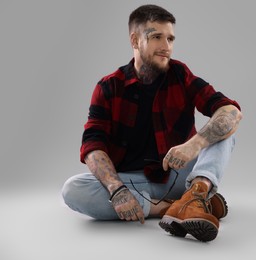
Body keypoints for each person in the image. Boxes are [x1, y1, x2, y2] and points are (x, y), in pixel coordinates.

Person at [62, 4, 242, 242]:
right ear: (135, 41)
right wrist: (117, 190)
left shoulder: (180, 74)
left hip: (180, 175)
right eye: (157, 37)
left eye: (170, 38)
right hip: (133, 181)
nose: (166, 47)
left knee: (226, 127)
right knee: (73, 190)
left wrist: (194, 144)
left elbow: (230, 110)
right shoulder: (108, 87)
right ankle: (176, 207)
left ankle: (197, 192)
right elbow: (93, 146)